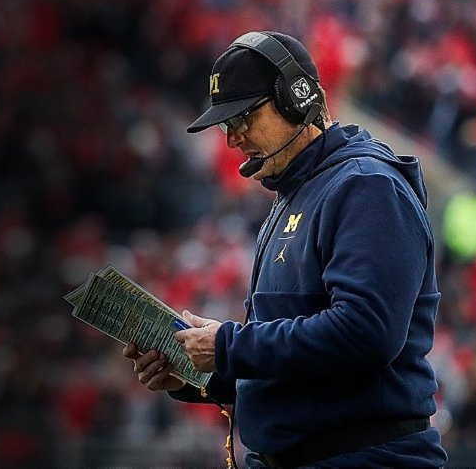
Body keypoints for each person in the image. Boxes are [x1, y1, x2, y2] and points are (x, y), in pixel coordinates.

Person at [123, 31, 448, 468]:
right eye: (225, 124)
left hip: (363, 457)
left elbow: (367, 333)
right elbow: (298, 369)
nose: (232, 137)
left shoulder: (366, 186)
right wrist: (197, 370)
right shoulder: (294, 195)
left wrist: (228, 347)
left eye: (243, 118)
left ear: (296, 99)